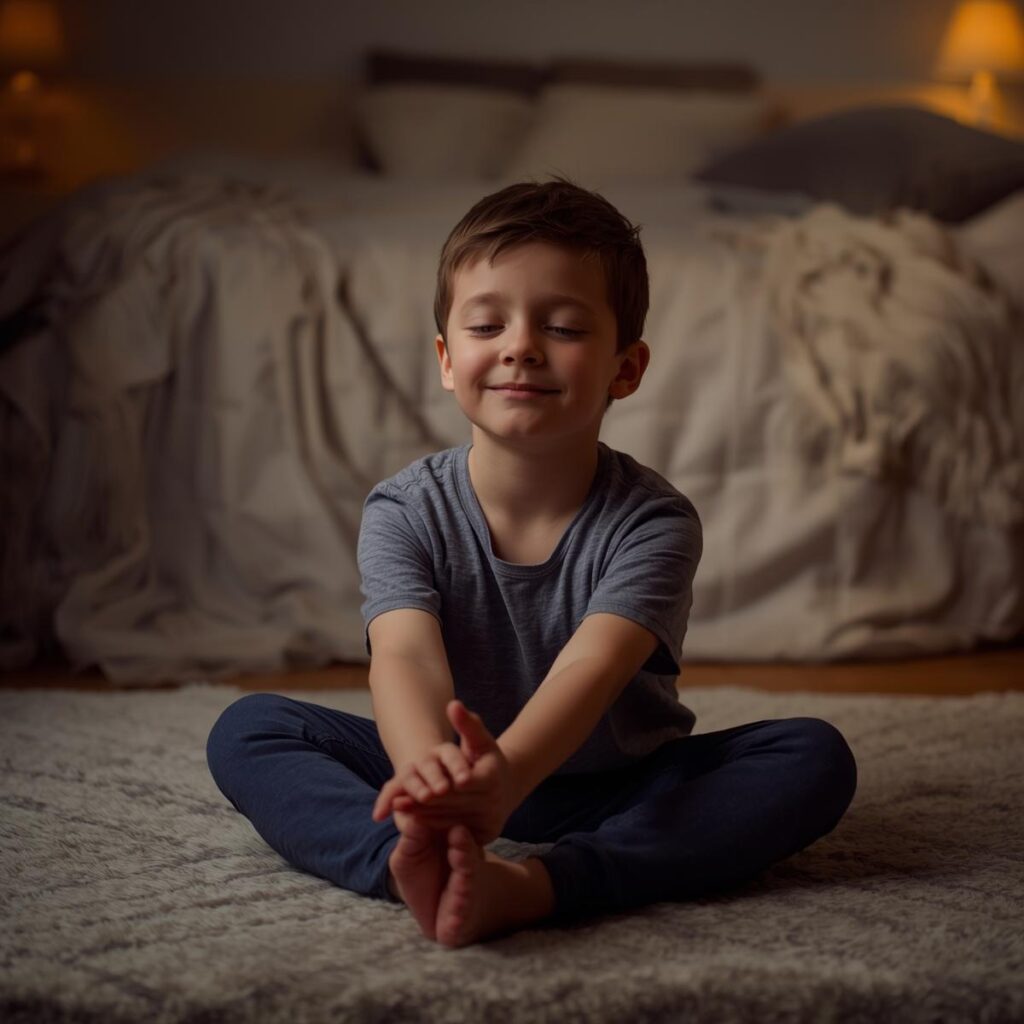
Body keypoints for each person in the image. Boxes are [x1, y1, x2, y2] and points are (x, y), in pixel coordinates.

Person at [206, 176, 858, 949]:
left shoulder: (652, 521)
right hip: (448, 768)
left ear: (626, 368)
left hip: (611, 786)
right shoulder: (403, 509)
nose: (520, 345)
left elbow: (590, 671)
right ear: (448, 360)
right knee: (250, 728)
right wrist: (432, 782)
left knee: (812, 755)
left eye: (563, 327)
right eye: (487, 325)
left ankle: (545, 884)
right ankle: (410, 865)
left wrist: (507, 779)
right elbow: (406, 658)